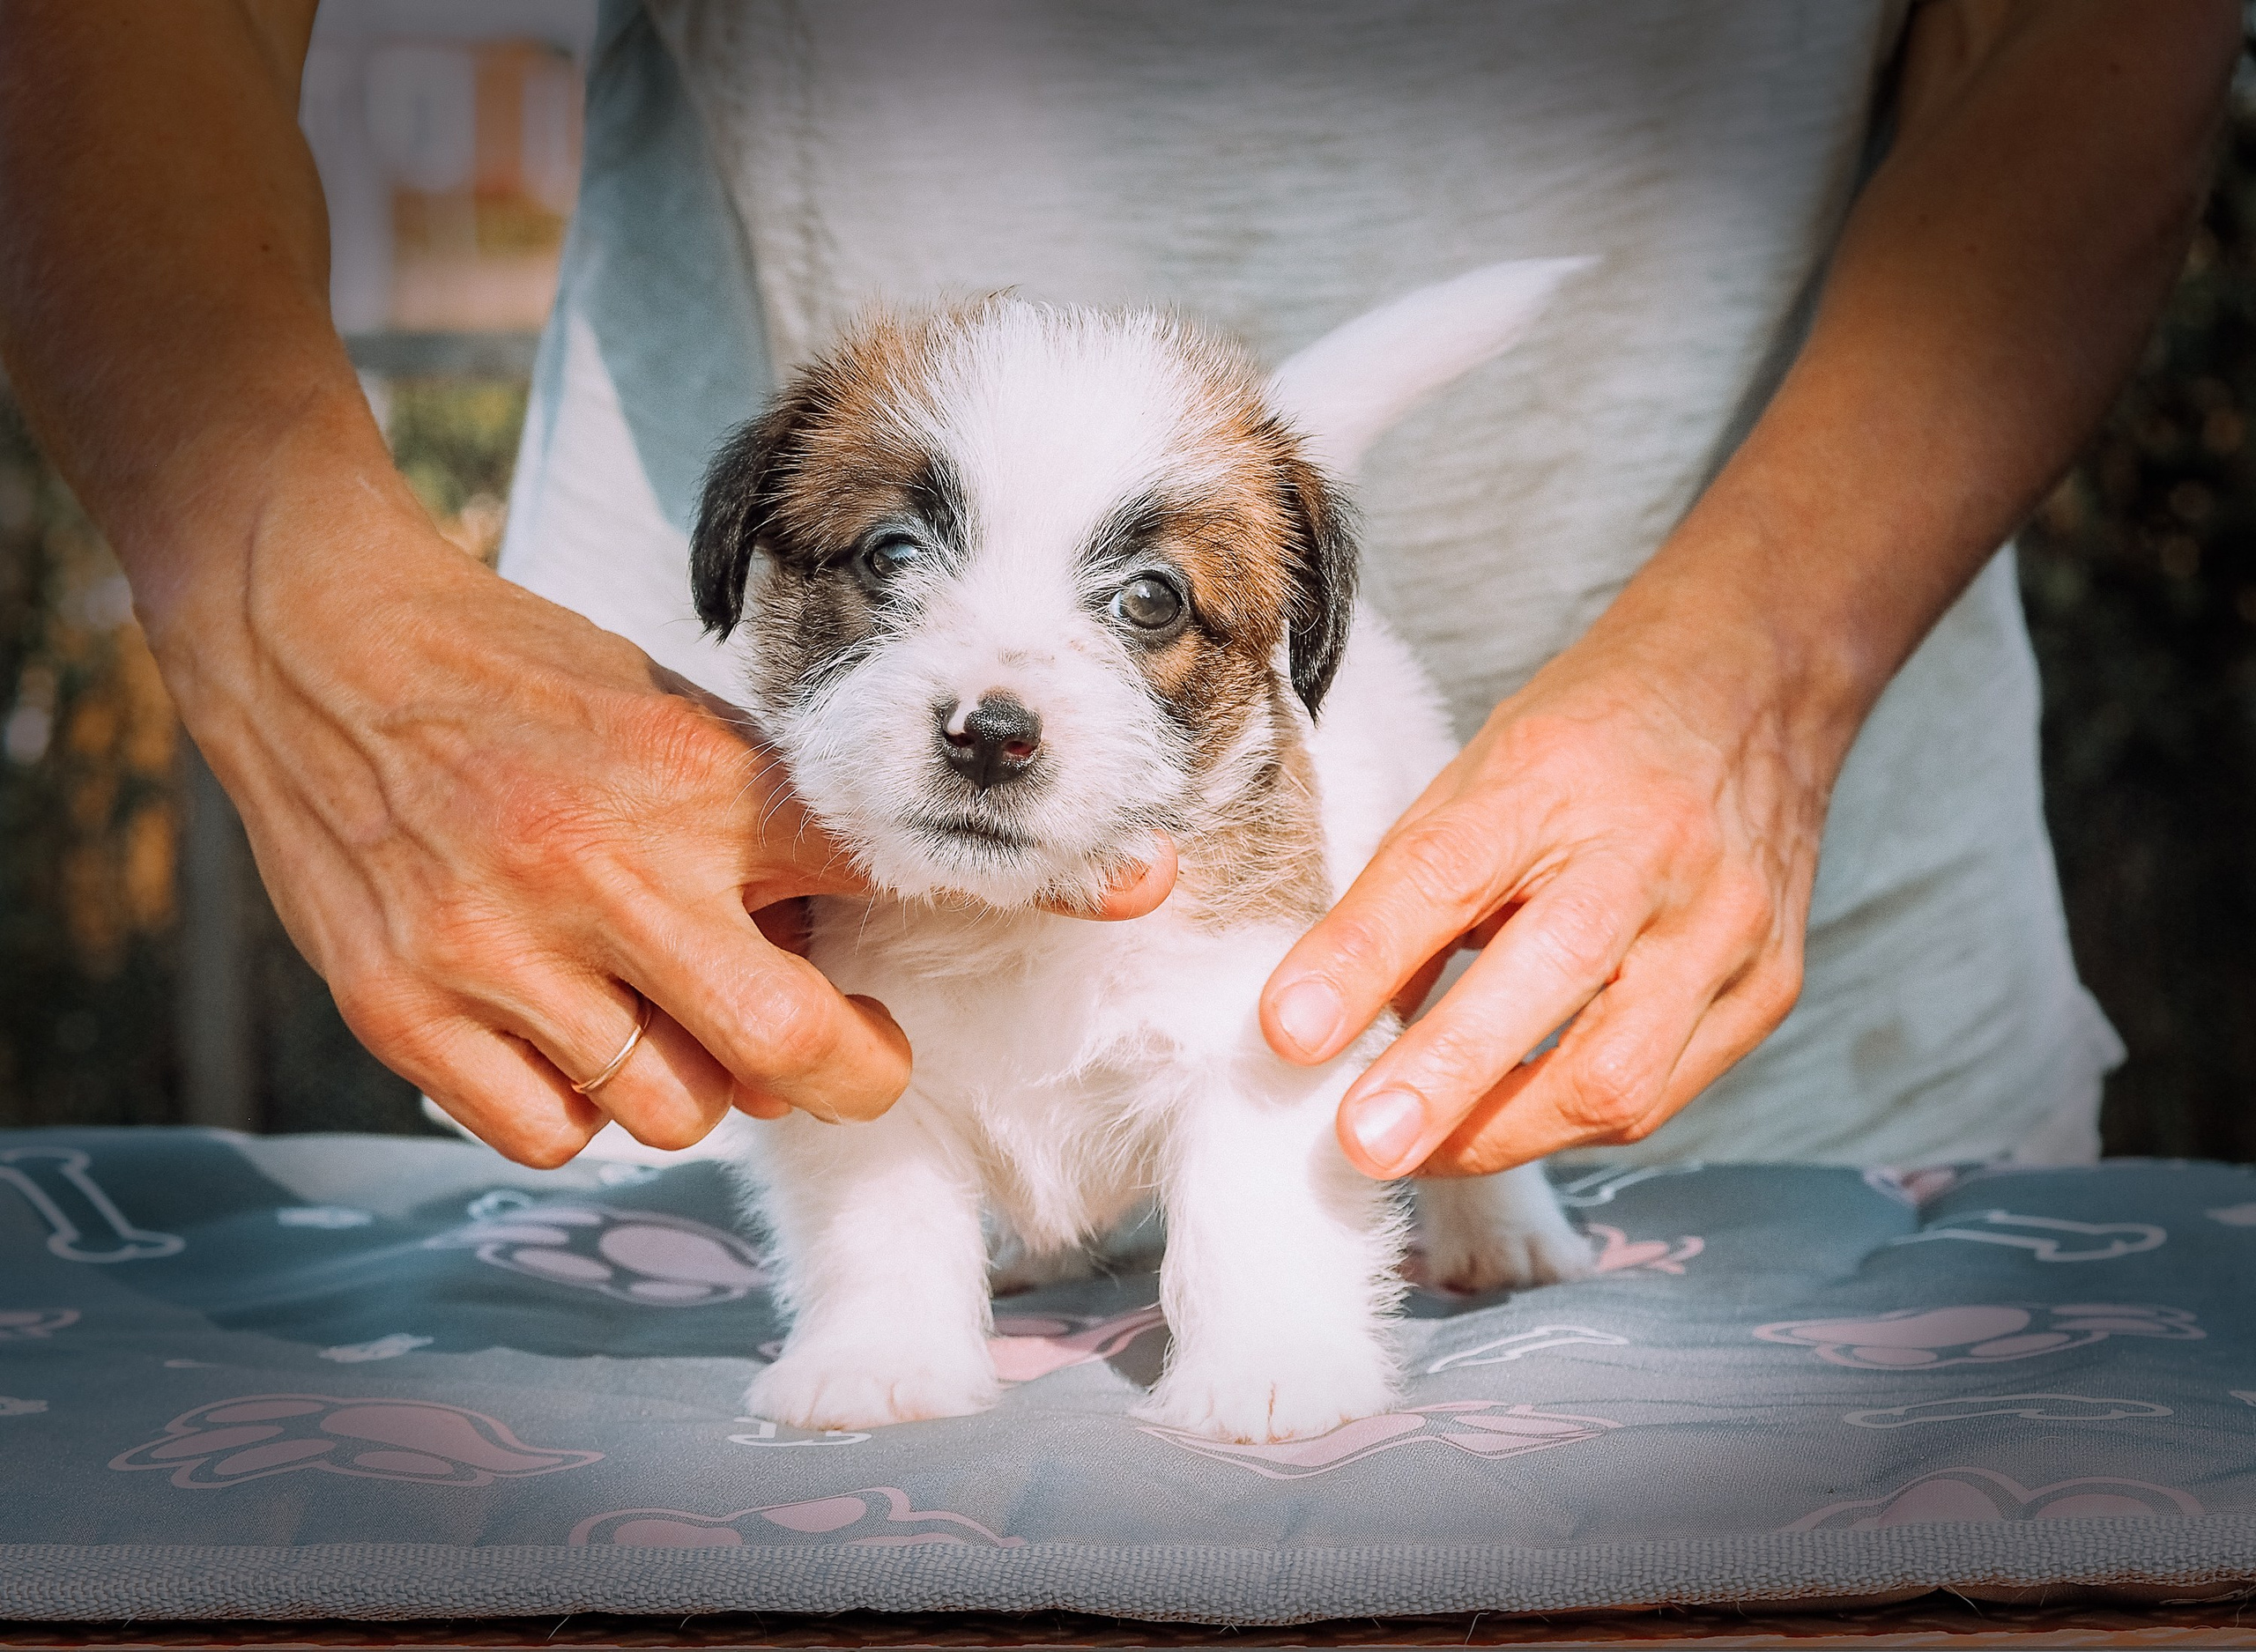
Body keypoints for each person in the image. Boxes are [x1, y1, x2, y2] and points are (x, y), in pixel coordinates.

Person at [0, 2, 2235, 1180]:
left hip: (1772, 1016)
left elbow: (2105, 30)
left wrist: (1767, 665)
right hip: (683, 950)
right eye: (892, 549)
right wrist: (281, 583)